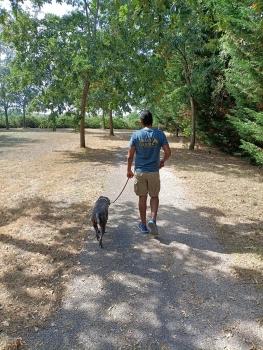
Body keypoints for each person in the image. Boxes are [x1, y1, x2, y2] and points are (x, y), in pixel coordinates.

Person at [127, 110, 171, 235]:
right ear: (152, 121)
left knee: (142, 197)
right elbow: (168, 152)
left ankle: (144, 225)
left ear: (141, 121)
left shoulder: (136, 135)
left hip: (140, 171)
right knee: (154, 196)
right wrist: (162, 161)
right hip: (153, 172)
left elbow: (130, 156)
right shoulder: (160, 134)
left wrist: (128, 170)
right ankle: (153, 219)